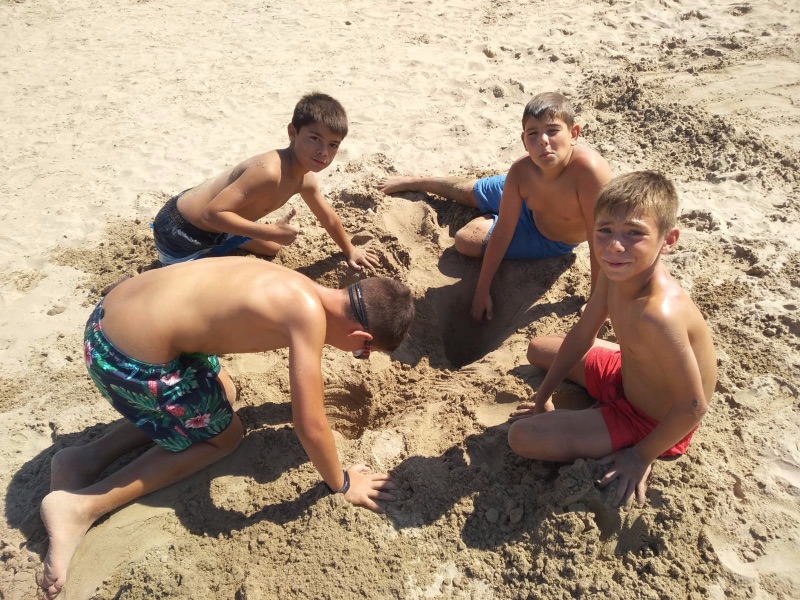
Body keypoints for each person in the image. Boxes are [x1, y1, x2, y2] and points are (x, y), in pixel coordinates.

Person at [39, 257, 415, 599]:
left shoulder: (298, 285)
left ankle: (85, 458)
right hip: (122, 361)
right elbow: (311, 425)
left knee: (224, 393)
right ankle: (81, 507)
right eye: (363, 352)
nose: (358, 355)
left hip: (106, 320)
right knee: (226, 436)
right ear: (361, 338)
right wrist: (343, 483)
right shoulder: (308, 315)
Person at [506, 171, 716, 510]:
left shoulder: (660, 315)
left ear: (668, 240)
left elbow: (693, 407)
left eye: (634, 233)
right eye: (605, 230)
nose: (615, 246)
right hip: (626, 372)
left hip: (650, 419)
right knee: (539, 349)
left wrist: (641, 455)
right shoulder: (614, 273)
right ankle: (597, 405)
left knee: (522, 437)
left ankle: (632, 443)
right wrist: (542, 397)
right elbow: (581, 335)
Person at [379, 92, 612, 320]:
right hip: (525, 192)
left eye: (552, 131)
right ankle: (418, 181)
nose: (543, 140)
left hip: (546, 236)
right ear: (524, 141)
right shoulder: (521, 171)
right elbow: (503, 231)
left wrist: (597, 299)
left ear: (574, 133)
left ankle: (490, 214)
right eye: (533, 133)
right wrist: (481, 291)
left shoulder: (589, 173)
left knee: (465, 240)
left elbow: (600, 238)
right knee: (467, 192)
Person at [152, 92, 379, 270]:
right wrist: (271, 231)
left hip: (218, 225)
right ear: (292, 133)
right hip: (182, 230)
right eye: (314, 138)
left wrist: (350, 250)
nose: (323, 152)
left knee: (272, 248)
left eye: (333, 145)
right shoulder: (269, 171)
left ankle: (221, 246)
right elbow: (210, 214)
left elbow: (327, 217)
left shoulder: (305, 179)